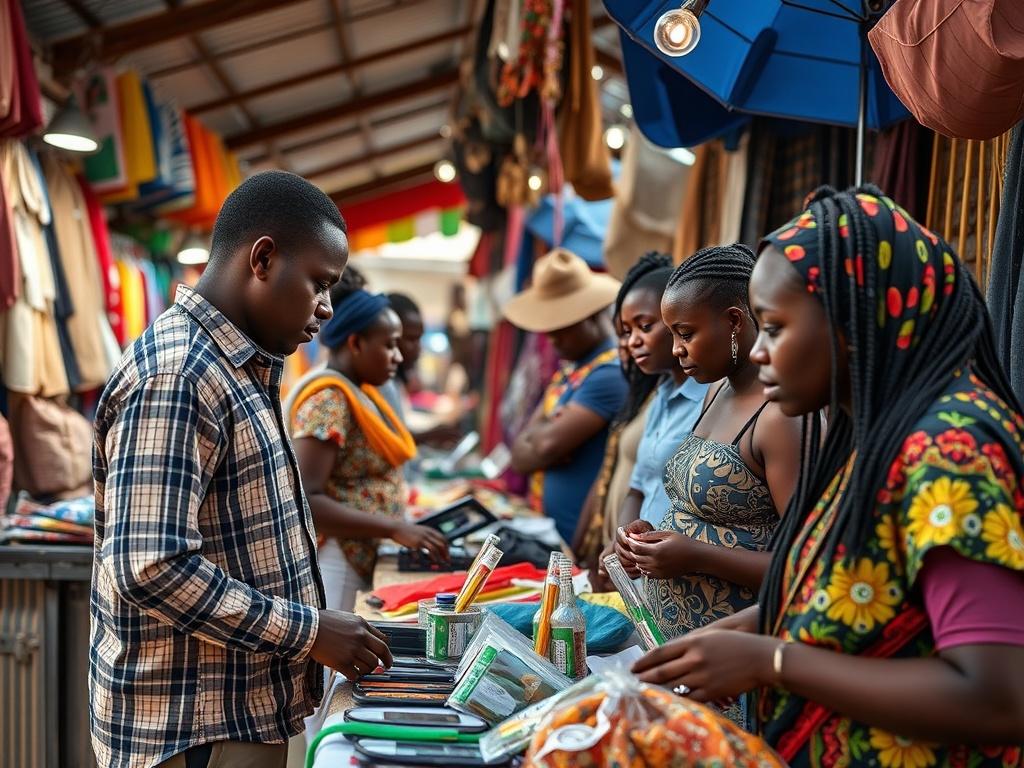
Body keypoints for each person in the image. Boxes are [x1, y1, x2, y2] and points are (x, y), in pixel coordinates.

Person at [633, 186, 1024, 765]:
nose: (759, 353)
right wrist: (730, 637)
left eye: (775, 328)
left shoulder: (952, 451)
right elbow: (839, 596)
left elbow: (999, 698)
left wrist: (771, 660)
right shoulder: (875, 438)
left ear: (852, 321)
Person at [91, 171, 393, 768]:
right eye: (319, 285)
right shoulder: (179, 376)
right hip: (192, 726)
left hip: (226, 711)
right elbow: (152, 566)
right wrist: (308, 631)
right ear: (262, 259)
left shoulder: (236, 368)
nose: (326, 309)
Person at [617, 244, 804, 644]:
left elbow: (803, 567)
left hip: (732, 658)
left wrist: (695, 555)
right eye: (672, 335)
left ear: (734, 321)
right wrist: (648, 539)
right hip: (671, 642)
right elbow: (702, 518)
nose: (676, 350)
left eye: (686, 334)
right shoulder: (714, 391)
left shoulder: (780, 416)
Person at [288, 287, 449, 613]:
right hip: (338, 559)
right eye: (389, 345)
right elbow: (307, 500)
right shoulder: (328, 401)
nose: (399, 356)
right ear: (356, 343)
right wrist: (394, 528)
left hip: (357, 554)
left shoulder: (360, 393)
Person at [588, 253, 710, 572]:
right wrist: (623, 542)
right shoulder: (661, 394)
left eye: (644, 326)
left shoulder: (713, 397)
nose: (632, 342)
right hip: (645, 578)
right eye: (626, 332)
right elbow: (639, 485)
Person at [505, 248, 628, 545]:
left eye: (564, 324)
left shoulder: (607, 375)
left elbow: (542, 446)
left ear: (592, 316)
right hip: (550, 532)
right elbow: (520, 455)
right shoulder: (570, 371)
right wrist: (541, 440)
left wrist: (543, 440)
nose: (552, 336)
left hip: (576, 543)